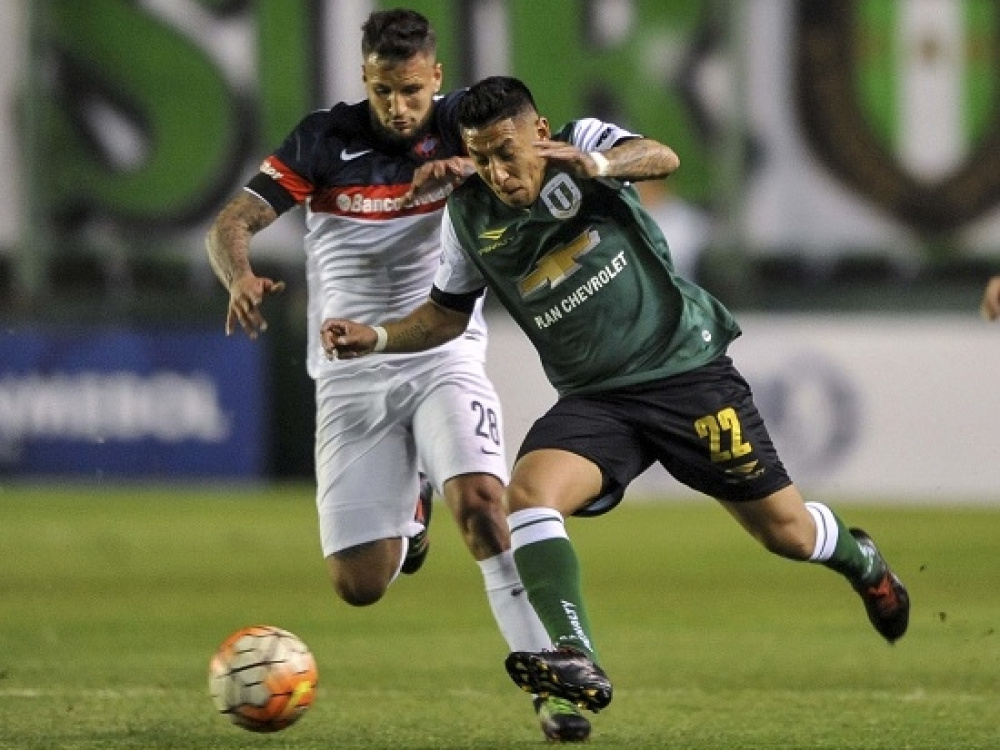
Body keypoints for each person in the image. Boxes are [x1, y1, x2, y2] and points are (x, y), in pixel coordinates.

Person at [320, 75, 911, 721]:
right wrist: (377, 336)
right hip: (596, 402)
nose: (498, 172)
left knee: (788, 534)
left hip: (686, 375)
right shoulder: (468, 218)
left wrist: (598, 164)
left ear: (538, 132)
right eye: (481, 158)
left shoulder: (584, 142)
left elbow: (662, 156)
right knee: (528, 496)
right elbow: (444, 316)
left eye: (507, 152)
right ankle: (575, 656)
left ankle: (863, 562)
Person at [205, 14, 590, 742]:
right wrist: (240, 275)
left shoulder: (467, 125)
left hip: (443, 351)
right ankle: (412, 507)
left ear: (436, 78)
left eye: (412, 90)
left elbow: (535, 158)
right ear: (365, 79)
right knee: (361, 584)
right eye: (383, 90)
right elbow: (233, 220)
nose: (399, 106)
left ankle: (553, 687)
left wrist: (470, 170)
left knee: (485, 508)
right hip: (350, 370)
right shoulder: (323, 139)